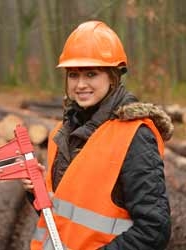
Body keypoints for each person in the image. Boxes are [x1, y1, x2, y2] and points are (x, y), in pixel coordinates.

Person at [22, 20, 174, 250]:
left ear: (113, 77)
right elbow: (66, 216)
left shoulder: (135, 136)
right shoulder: (62, 134)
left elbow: (154, 230)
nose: (80, 84)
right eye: (73, 75)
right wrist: (38, 193)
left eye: (91, 74)